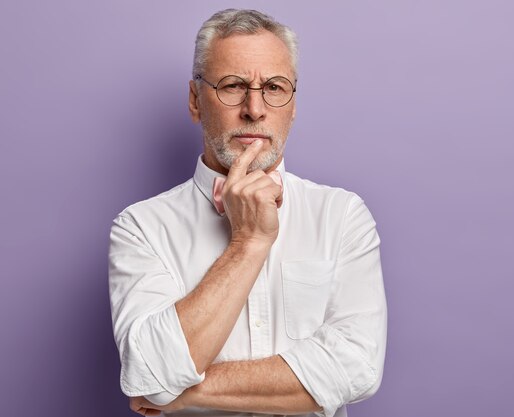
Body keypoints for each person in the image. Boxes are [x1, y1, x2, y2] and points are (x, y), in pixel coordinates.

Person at [108, 8, 387, 417]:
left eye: (274, 87)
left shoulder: (342, 215)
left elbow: (357, 368)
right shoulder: (141, 227)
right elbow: (150, 370)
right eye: (233, 85)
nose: (254, 109)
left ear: (292, 105)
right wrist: (248, 242)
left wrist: (184, 391)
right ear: (195, 101)